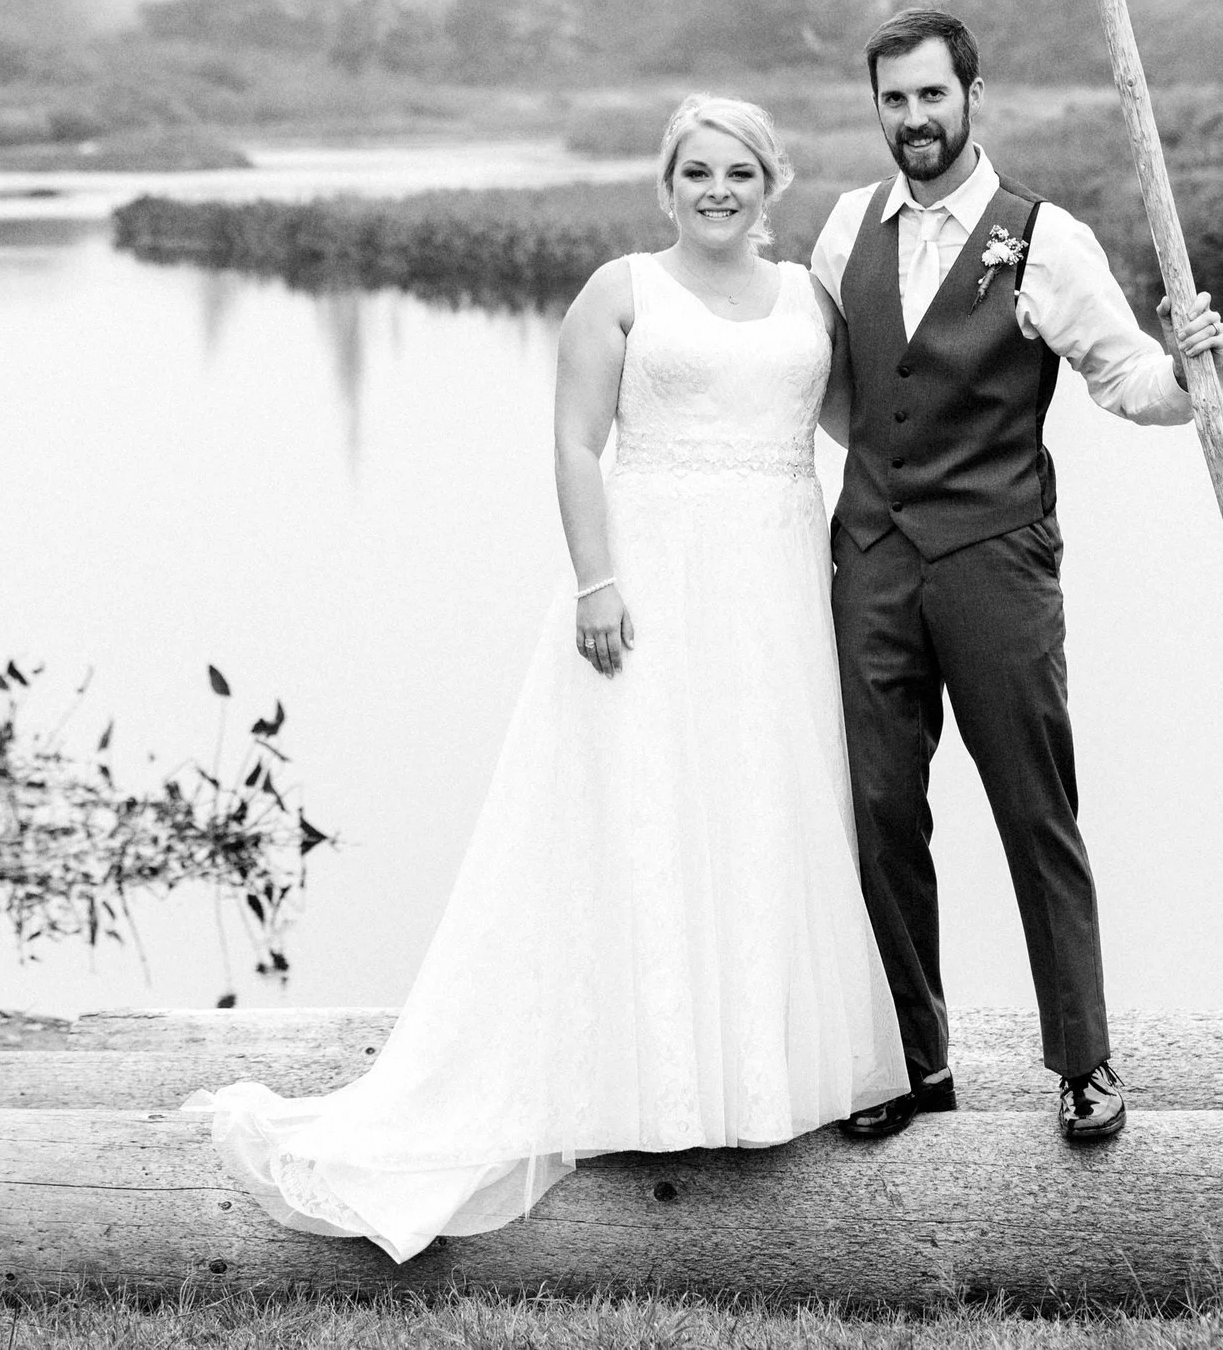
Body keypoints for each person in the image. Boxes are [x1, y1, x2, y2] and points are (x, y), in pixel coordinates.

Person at [188, 95, 906, 1264]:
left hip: (774, 589)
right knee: (642, 806)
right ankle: (650, 1076)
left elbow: (864, 426)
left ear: (770, 181)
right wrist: (597, 580)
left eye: (737, 171)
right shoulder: (620, 289)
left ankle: (756, 1077)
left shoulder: (807, 302)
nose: (716, 189)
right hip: (655, 578)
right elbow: (576, 442)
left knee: (762, 805)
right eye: (695, 171)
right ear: (666, 184)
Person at [811, 7, 1223, 1144]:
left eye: (930, 96)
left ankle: (1084, 1060)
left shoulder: (1044, 238)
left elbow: (1124, 375)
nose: (912, 119)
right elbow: (829, 385)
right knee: (880, 809)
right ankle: (913, 1060)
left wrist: (1187, 369)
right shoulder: (844, 228)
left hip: (996, 557)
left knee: (1033, 806)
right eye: (893, 99)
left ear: (972, 96)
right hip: (873, 562)